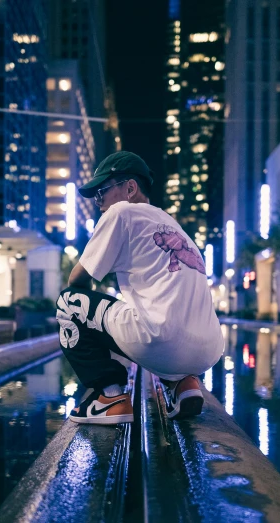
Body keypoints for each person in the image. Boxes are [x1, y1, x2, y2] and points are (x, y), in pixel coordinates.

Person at [56, 151, 224, 425]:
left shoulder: (121, 212)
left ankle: (109, 398)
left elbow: (77, 280)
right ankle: (184, 384)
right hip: (209, 350)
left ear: (130, 188)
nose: (99, 203)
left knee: (69, 303)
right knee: (152, 313)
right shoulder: (172, 224)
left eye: (102, 192)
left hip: (164, 341)